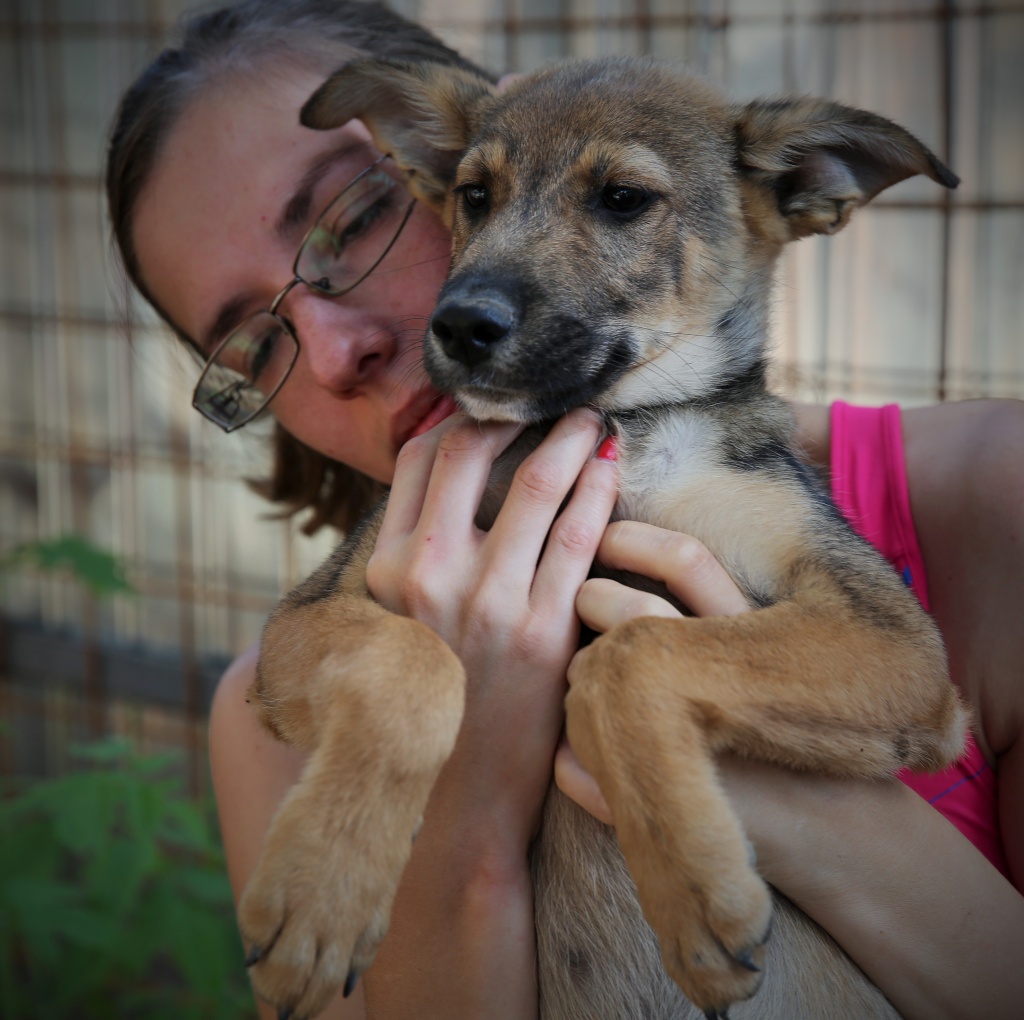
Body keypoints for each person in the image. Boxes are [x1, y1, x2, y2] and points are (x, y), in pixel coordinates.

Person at [106, 2, 1024, 1017]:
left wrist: (661, 700)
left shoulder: (974, 499)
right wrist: (455, 791)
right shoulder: (303, 678)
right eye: (248, 341)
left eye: (355, 216)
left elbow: (904, 689)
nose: (334, 351)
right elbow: (305, 649)